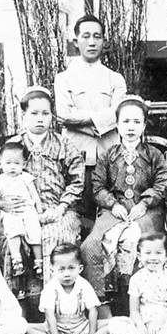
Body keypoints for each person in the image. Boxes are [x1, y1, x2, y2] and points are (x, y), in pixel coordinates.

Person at [81, 96, 167, 314]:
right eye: (126, 122)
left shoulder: (153, 155)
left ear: (144, 125)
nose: (131, 127)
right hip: (115, 210)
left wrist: (146, 202)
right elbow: (98, 186)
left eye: (136, 122)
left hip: (146, 211)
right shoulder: (108, 155)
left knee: (135, 240)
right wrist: (113, 204)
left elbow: (162, 182)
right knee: (92, 245)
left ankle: (139, 303)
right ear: (117, 125)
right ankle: (102, 306)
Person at [0, 87, 85, 285]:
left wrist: (60, 208)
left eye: (45, 113)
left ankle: (55, 301)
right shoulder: (12, 146)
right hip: (18, 211)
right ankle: (18, 304)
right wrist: (2, 204)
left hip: (59, 211)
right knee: (10, 240)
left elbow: (77, 183)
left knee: (52, 235)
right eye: (34, 113)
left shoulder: (64, 145)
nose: (40, 119)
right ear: (24, 115)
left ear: (52, 116)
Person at [53, 15, 127, 219]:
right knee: (79, 213)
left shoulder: (115, 79)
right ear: (76, 41)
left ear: (104, 41)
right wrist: (100, 123)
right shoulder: (63, 79)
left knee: (111, 211)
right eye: (86, 36)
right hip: (76, 156)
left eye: (97, 36)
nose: (92, 42)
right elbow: (64, 115)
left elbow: (119, 113)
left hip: (109, 156)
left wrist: (84, 121)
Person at [108, 233, 167, 334]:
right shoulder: (136, 279)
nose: (153, 258)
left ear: (166, 256)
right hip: (143, 322)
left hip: (164, 320)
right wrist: (140, 326)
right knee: (114, 323)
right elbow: (134, 310)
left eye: (158, 253)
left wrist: (159, 323)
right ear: (139, 256)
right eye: (148, 253)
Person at [25, 243, 107, 334]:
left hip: (81, 327)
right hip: (55, 328)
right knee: (23, 327)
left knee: (119, 322)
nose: (67, 274)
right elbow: (49, 315)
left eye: (71, 268)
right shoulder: (50, 288)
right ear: (52, 270)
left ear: (80, 268)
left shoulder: (84, 285)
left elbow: (93, 310)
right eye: (61, 269)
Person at [0, 140, 43, 277]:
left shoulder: (26, 178)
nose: (12, 167)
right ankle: (17, 259)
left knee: (35, 231)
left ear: (24, 164)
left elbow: (35, 196)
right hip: (10, 212)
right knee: (12, 230)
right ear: (0, 164)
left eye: (16, 164)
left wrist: (39, 213)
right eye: (8, 163)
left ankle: (38, 260)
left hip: (28, 210)